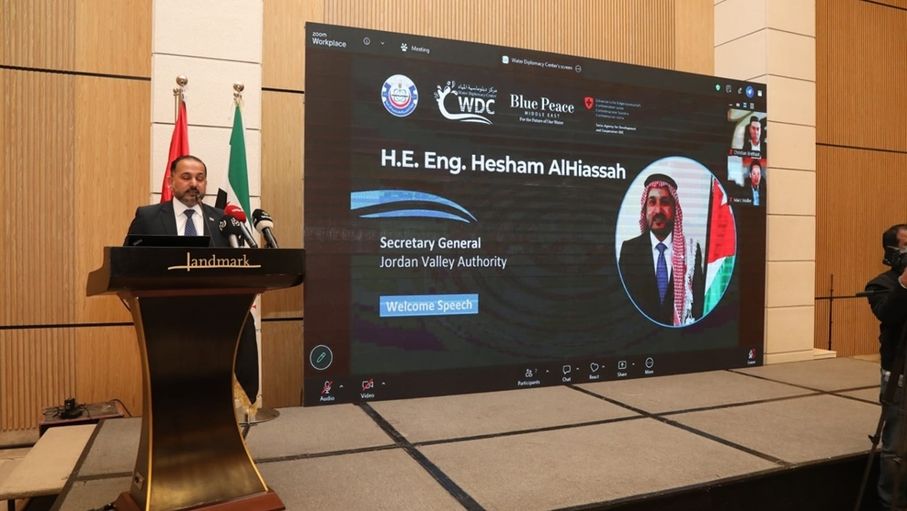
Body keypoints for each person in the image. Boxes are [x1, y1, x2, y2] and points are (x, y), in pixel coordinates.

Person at [125, 154, 259, 402]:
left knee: (245, 322)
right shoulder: (149, 218)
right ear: (171, 182)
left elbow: (237, 269)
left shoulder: (222, 221)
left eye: (200, 178)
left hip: (216, 317)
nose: (194, 184)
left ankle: (236, 409)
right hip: (167, 317)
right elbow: (127, 264)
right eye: (186, 177)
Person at [618, 174, 704, 326]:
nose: (658, 210)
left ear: (675, 209)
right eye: (652, 202)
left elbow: (698, 306)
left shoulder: (691, 252)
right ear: (645, 209)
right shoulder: (629, 250)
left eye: (665, 202)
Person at [865, 223, 907, 510]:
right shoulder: (881, 284)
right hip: (899, 375)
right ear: (892, 252)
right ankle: (891, 504)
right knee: (897, 449)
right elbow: (889, 314)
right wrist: (904, 282)